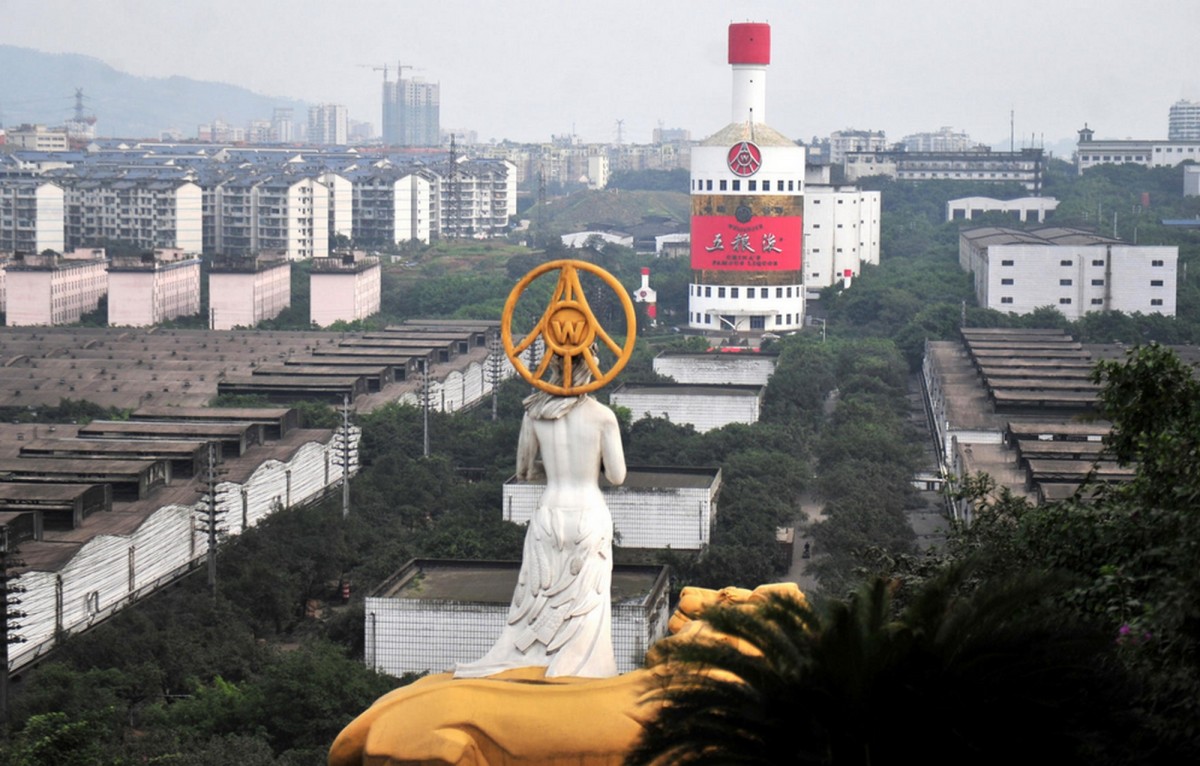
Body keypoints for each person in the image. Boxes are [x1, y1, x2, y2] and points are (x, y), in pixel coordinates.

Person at [455, 351, 626, 678]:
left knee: (537, 595)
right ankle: (580, 669)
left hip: (549, 513)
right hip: (589, 513)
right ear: (588, 369)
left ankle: (534, 658)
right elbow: (617, 476)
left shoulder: (534, 413)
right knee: (584, 602)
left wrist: (555, 467)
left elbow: (524, 471)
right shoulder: (603, 416)